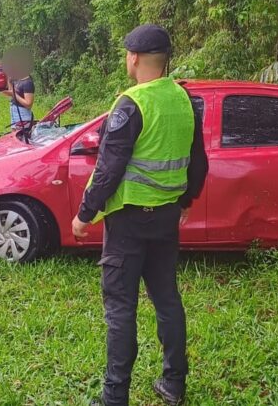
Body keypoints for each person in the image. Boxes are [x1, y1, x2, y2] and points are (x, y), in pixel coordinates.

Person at [72, 24, 208, 406]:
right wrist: (184, 203)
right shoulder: (185, 100)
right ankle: (174, 384)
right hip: (166, 219)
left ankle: (114, 397)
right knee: (167, 299)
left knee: (120, 308)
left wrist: (84, 215)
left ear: (133, 58)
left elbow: (108, 170)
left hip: (128, 223)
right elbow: (198, 163)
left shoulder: (131, 104)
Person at [2, 57, 34, 132]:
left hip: (23, 114)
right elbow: (12, 92)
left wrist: (14, 94)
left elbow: (28, 104)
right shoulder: (18, 79)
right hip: (14, 111)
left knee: (22, 136)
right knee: (15, 135)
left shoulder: (27, 83)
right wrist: (9, 81)